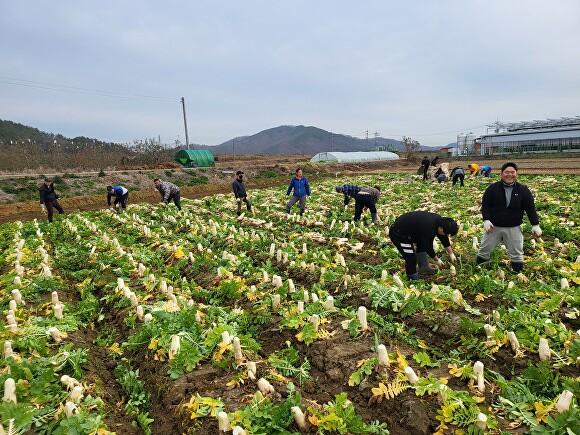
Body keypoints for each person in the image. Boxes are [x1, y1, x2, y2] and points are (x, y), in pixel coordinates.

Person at [476, 162, 541, 272]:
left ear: (516, 174)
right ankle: (479, 271)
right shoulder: (492, 188)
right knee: (484, 249)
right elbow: (485, 204)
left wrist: (535, 224)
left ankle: (517, 275)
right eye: (507, 172)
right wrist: (486, 220)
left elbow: (530, 208)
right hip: (494, 226)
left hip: (514, 227)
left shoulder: (523, 190)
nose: (509, 175)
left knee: (516, 252)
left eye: (512, 172)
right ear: (501, 174)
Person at [389, 211, 458, 280]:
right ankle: (412, 280)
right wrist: (437, 260)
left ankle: (424, 268)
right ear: (441, 228)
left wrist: (451, 253)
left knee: (422, 242)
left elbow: (443, 237)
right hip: (400, 235)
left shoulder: (440, 222)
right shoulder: (429, 228)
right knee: (411, 259)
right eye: (446, 233)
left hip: (412, 231)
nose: (445, 235)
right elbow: (428, 246)